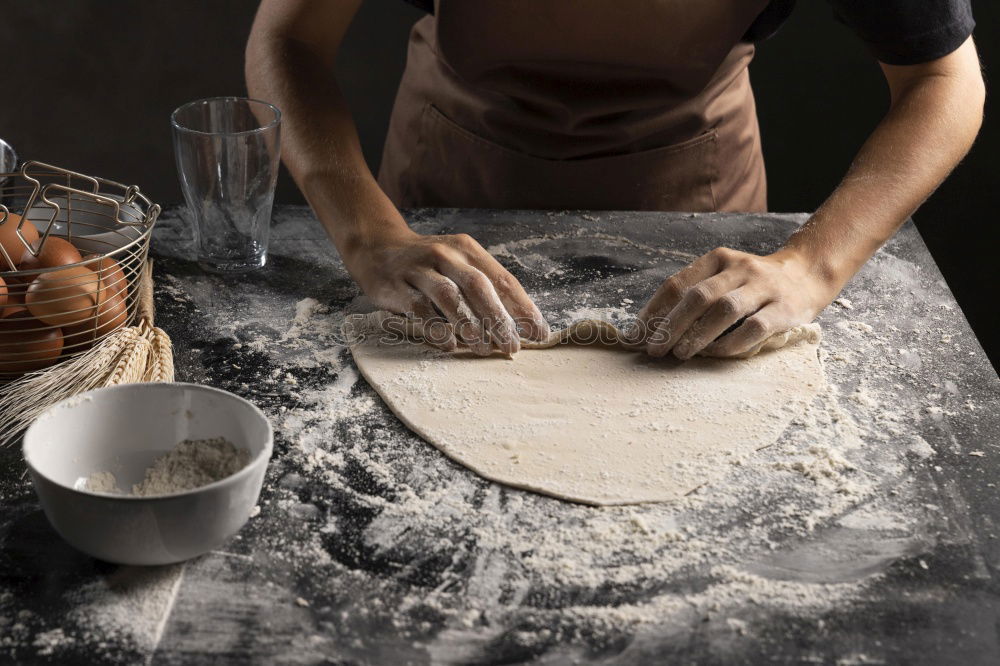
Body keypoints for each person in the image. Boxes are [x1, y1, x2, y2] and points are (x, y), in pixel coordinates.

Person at [245, 1, 983, 360]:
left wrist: (811, 267)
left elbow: (945, 79)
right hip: (451, 188)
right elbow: (288, 37)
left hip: (694, 197)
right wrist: (371, 235)